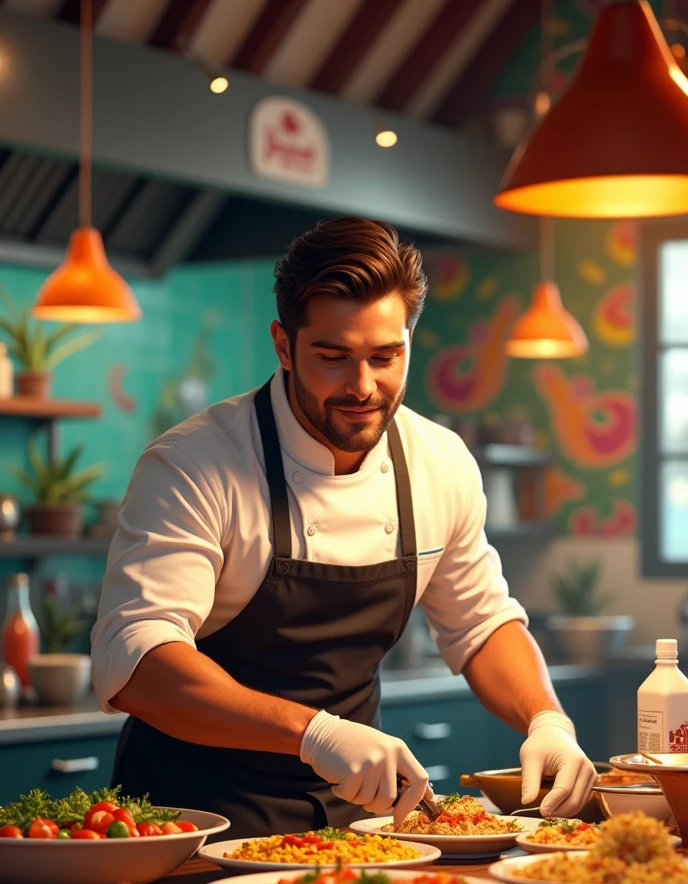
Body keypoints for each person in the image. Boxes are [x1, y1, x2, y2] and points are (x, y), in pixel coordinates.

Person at [91, 216, 596, 838]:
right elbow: (137, 663)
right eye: (333, 358)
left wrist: (548, 720)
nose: (363, 386)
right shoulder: (193, 464)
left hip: (356, 828)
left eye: (386, 357)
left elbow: (481, 622)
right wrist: (315, 732)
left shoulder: (440, 463)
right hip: (192, 821)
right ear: (283, 345)